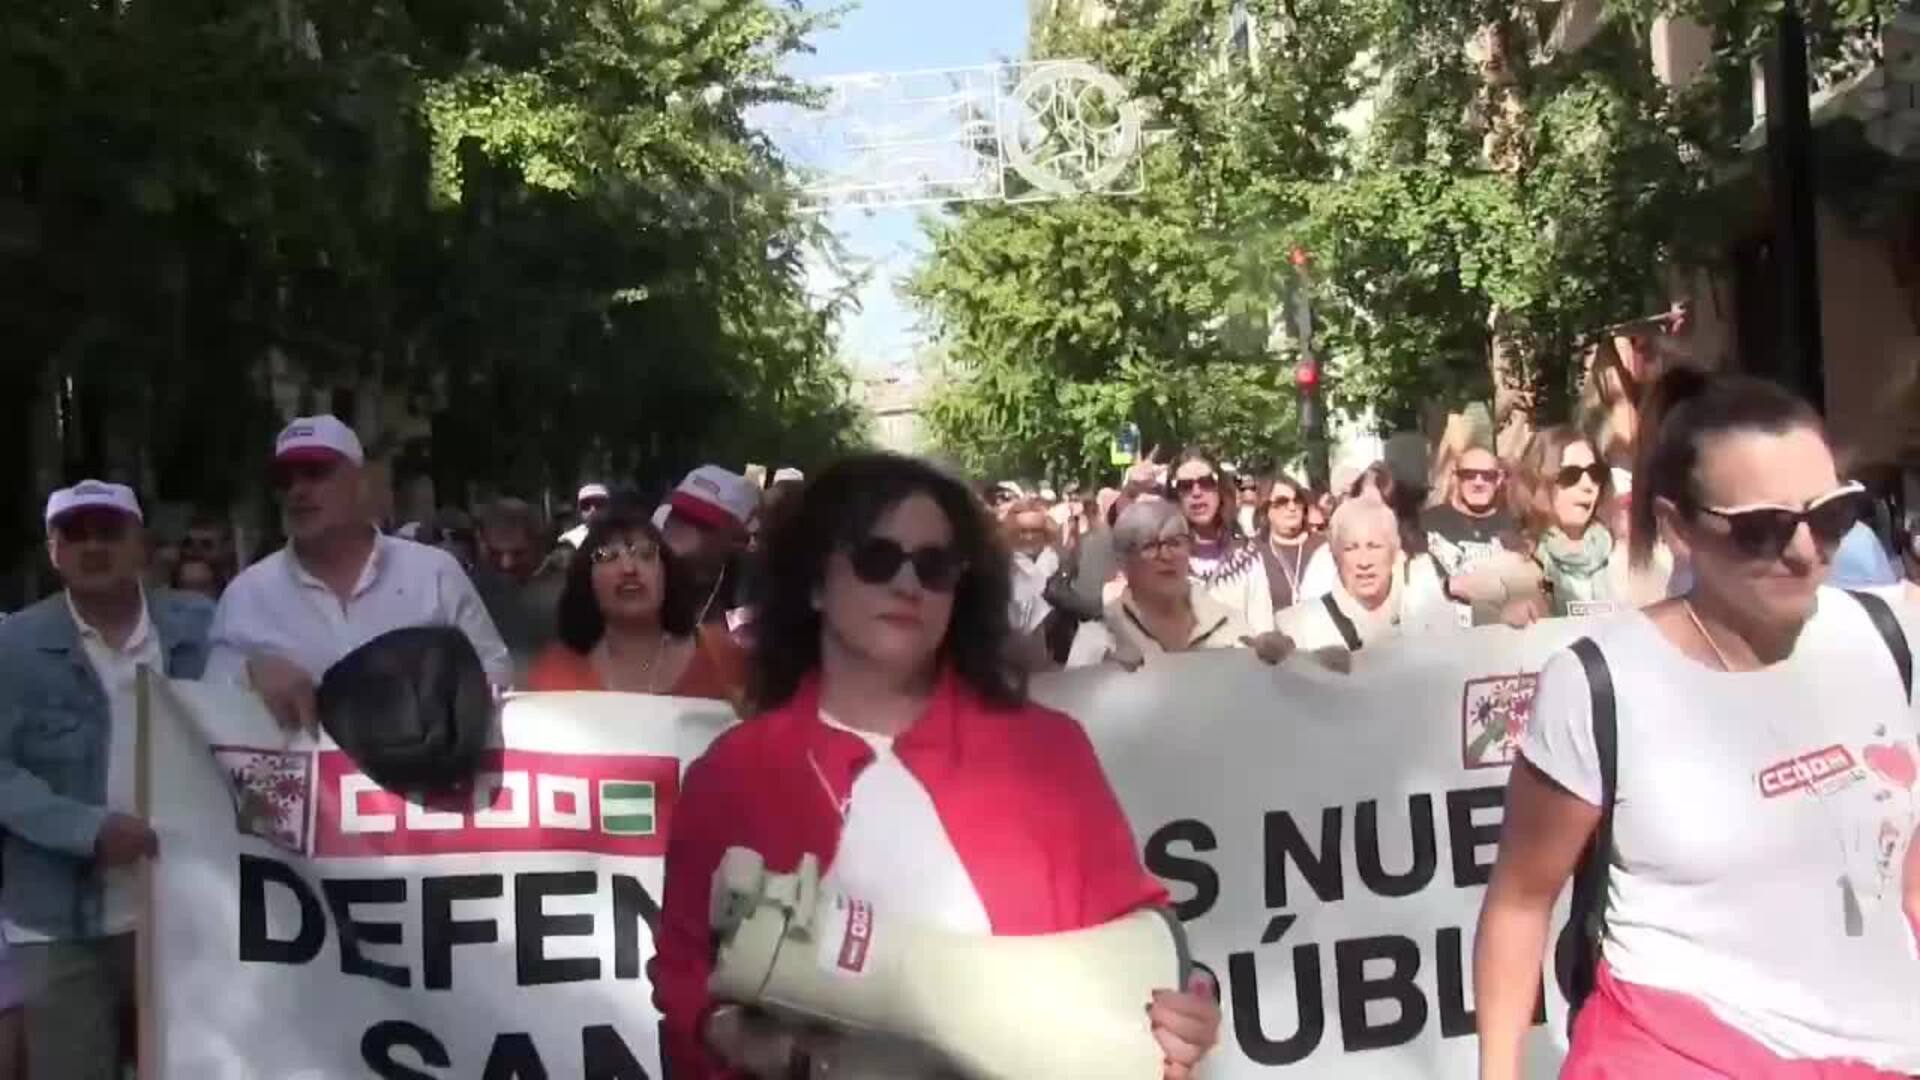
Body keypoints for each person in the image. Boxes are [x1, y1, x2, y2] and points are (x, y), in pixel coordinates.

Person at [651, 453, 1221, 1079]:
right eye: (876, 559)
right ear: (814, 582)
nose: (908, 585)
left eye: (934, 566)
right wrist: (736, 1037)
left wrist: (1184, 1011)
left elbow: (1138, 938)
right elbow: (684, 980)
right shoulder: (734, 775)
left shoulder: (1047, 750)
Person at [1474, 369, 1920, 1079]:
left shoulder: (1891, 637)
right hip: (1676, 1053)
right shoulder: (1600, 684)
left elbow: (1908, 873)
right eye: (1762, 529)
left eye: (1831, 515)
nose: (1804, 551)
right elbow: (1520, 903)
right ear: (1679, 529)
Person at [0, 480, 213, 1080]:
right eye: (74, 534)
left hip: (189, 910)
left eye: (109, 532)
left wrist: (270, 666)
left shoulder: (201, 625)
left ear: (141, 543)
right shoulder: (12, 646)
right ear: (53, 551)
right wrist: (87, 830)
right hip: (59, 921)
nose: (93, 546)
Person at [207, 416, 512, 729]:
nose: (297, 491)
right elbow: (207, 705)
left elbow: (495, 675)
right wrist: (250, 675)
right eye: (284, 480)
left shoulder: (434, 574)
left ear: (360, 482)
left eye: (315, 473)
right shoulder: (246, 595)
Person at [524, 503, 746, 704]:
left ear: (666, 572)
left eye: (646, 554)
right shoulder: (554, 672)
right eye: (607, 556)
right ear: (586, 580)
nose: (629, 569)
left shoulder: (722, 656)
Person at [1066, 500, 1294, 668]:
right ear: (1124, 561)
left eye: (1175, 543)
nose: (1166, 556)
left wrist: (1278, 663)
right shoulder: (1100, 638)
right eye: (1149, 546)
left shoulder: (1230, 625)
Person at [1275, 494, 1452, 664]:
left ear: (1394, 552)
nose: (1364, 562)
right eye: (1351, 548)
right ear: (1335, 557)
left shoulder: (1430, 610)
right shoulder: (1301, 627)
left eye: (1374, 546)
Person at [1513, 426, 1620, 618]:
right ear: (1538, 482)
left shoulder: (1622, 558)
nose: (1588, 486)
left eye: (1595, 473)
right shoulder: (1516, 563)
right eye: (1571, 475)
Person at [1170, 449, 1277, 634]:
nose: (1196, 492)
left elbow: (1262, 628)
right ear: (1175, 495)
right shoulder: (1163, 559)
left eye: (1206, 482)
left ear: (1220, 488)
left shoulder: (1247, 556)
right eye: (1185, 486)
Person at [654, 465, 760, 636]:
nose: (679, 527)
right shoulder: (638, 573)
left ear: (738, 540)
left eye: (700, 522)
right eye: (677, 513)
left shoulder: (752, 597)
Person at [472, 497, 563, 678]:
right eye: (495, 553)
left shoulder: (568, 593)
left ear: (539, 545)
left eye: (518, 553)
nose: (506, 563)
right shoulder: (465, 592)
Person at [1421, 444, 1521, 587]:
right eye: (1468, 474)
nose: (1478, 482)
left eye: (1488, 475)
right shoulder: (1427, 523)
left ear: (1499, 479)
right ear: (1456, 477)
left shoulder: (1517, 526)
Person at [1258, 473, 1324, 614]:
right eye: (1282, 502)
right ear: (1266, 509)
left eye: (1297, 500)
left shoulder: (1324, 547)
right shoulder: (1252, 552)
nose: (1292, 507)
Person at [1005, 498, 1059, 636]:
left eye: (1035, 531)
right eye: (1023, 531)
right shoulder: (1003, 565)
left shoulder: (1057, 560)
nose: (1029, 537)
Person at [559, 483, 612, 550]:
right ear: (579, 510)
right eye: (586, 505)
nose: (593, 510)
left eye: (599, 504)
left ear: (609, 507)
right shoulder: (570, 540)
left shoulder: (621, 535)